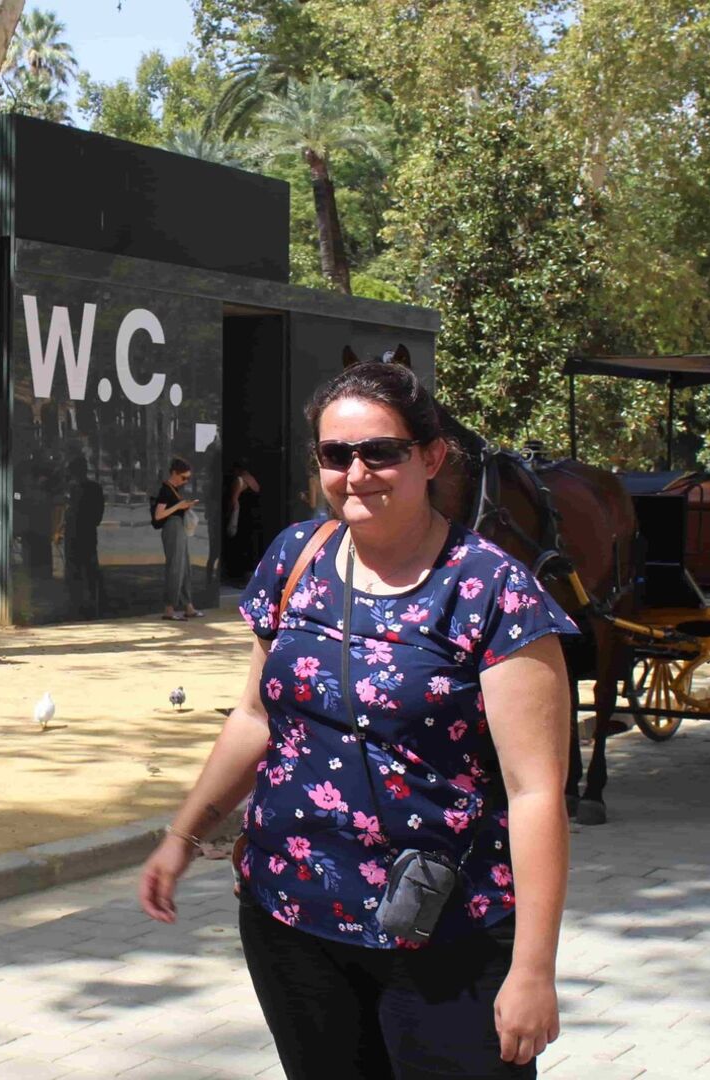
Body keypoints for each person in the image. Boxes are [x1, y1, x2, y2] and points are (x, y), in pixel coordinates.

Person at [140, 362, 576, 1079]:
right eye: (335, 454)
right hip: (289, 917)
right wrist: (181, 837)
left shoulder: (492, 591)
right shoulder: (295, 557)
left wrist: (533, 970)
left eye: (381, 451)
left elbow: (535, 792)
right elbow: (255, 716)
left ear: (430, 457)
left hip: (444, 930)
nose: (356, 473)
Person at [152, 457, 202, 620]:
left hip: (178, 528)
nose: (185, 481)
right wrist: (179, 506)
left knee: (184, 567)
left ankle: (188, 606)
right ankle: (169, 608)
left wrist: (184, 507)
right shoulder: (166, 490)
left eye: (187, 478)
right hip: (172, 528)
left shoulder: (173, 489)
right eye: (183, 477)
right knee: (175, 567)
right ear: (174, 473)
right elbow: (158, 515)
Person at [64, 455, 106, 618]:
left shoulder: (73, 489)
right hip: (88, 532)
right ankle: (93, 602)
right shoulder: (94, 488)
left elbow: (71, 511)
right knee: (90, 568)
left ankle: (77, 603)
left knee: (75, 569)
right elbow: (98, 512)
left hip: (76, 533)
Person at [222, 460, 264, 586]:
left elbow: (234, 500)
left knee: (243, 545)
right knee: (252, 546)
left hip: (243, 517)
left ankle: (244, 578)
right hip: (254, 517)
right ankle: (251, 576)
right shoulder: (253, 480)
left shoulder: (239, 480)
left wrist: (229, 515)